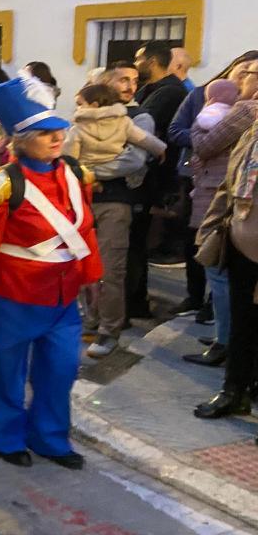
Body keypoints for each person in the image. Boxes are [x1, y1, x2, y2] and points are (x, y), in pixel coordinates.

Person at [0, 74, 102, 470]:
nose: (56, 138)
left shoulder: (75, 174)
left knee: (61, 371)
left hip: (61, 297)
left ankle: (50, 438)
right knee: (7, 373)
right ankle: (6, 437)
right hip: (12, 296)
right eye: (43, 133)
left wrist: (90, 276)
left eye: (58, 129)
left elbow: (83, 230)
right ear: (20, 139)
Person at [167, 51, 258, 318]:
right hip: (208, 186)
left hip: (224, 195)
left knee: (216, 265)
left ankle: (223, 336)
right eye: (241, 71)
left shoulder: (244, 109)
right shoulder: (202, 94)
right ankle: (211, 316)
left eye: (248, 74)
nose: (242, 78)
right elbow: (176, 130)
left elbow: (206, 145)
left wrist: (202, 126)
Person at [78, 63, 158, 358]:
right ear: (103, 83)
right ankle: (91, 317)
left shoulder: (139, 117)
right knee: (83, 267)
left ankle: (109, 330)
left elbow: (134, 161)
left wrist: (89, 172)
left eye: (134, 80)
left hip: (116, 202)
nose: (130, 85)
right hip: (84, 202)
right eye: (123, 80)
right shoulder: (85, 114)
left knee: (111, 270)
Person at [194, 67, 258, 423]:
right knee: (242, 324)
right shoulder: (251, 132)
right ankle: (234, 392)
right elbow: (230, 186)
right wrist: (213, 227)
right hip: (240, 242)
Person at [125, 42, 189, 317]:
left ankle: (135, 303)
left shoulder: (169, 92)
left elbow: (140, 126)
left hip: (152, 179)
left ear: (151, 61)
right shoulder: (153, 90)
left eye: (138, 60)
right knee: (134, 243)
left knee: (136, 244)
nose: (135, 65)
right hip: (143, 177)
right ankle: (134, 299)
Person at [63, 83, 166, 169]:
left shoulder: (78, 129)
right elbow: (142, 138)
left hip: (87, 170)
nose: (77, 108)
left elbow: (70, 157)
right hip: (115, 167)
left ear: (94, 105)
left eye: (79, 104)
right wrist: (159, 149)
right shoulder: (123, 122)